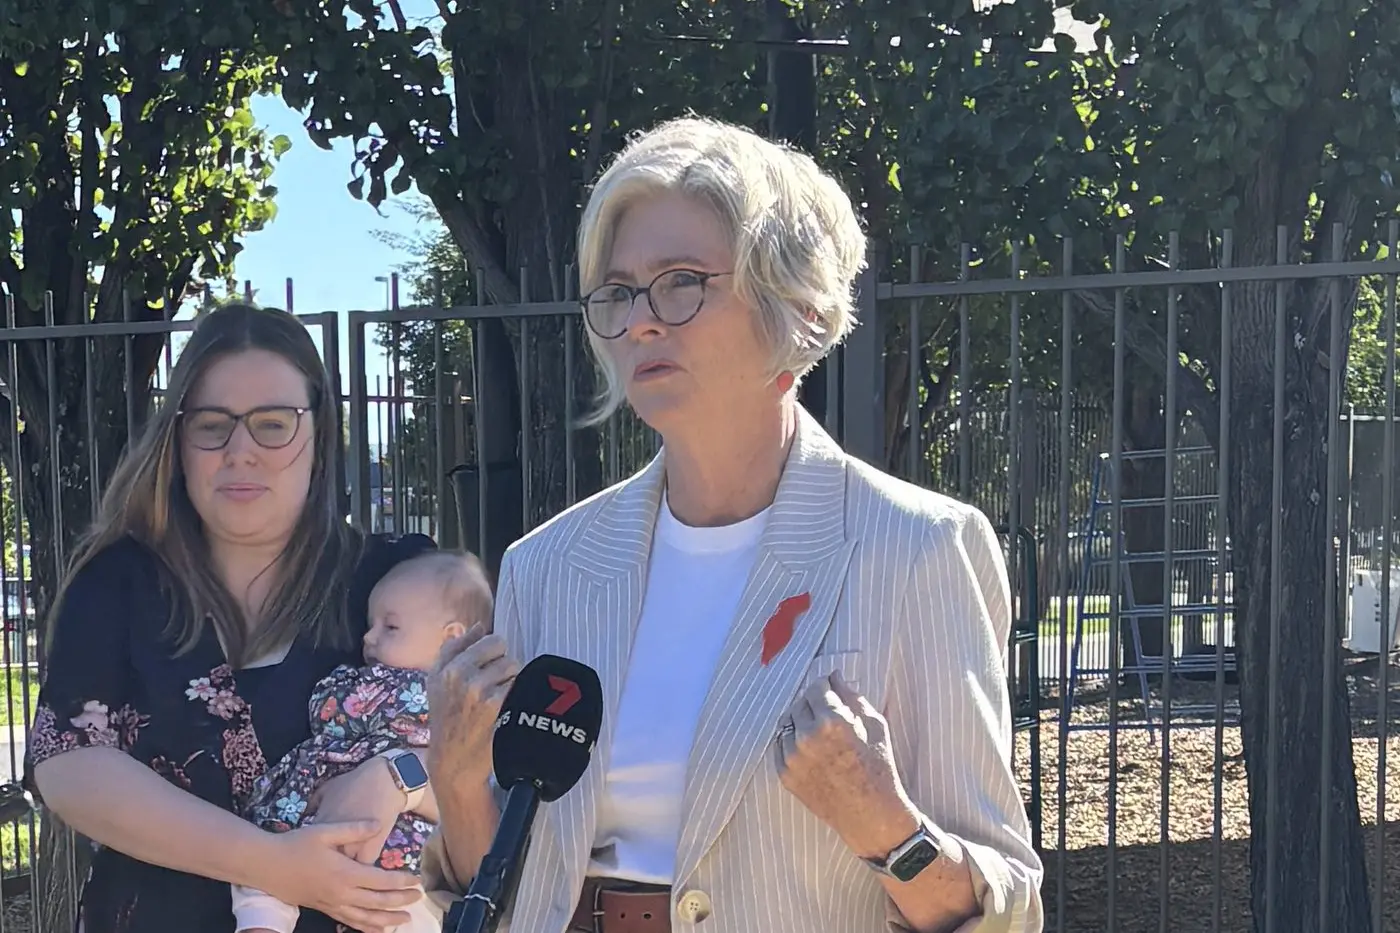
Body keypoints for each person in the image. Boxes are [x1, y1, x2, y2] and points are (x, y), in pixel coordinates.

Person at [421, 115, 1044, 933]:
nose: (642, 319)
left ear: (791, 300)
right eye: (618, 291)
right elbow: (493, 890)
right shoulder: (549, 565)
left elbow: (1007, 910)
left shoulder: (919, 548)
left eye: (682, 280)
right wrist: (460, 781)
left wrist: (886, 828)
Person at [24, 304, 442, 933]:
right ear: (180, 440)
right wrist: (272, 864)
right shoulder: (119, 582)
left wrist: (401, 776)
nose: (241, 451)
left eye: (274, 424)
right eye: (213, 425)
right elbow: (69, 766)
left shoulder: (399, 584)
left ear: (319, 432)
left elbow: (483, 762)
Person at [232, 549, 494, 933]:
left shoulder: (458, 700)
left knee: (413, 903)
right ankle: (262, 923)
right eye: (371, 625)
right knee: (264, 860)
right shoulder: (369, 679)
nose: (368, 638)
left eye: (390, 627)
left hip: (404, 847)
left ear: (449, 638)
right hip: (312, 819)